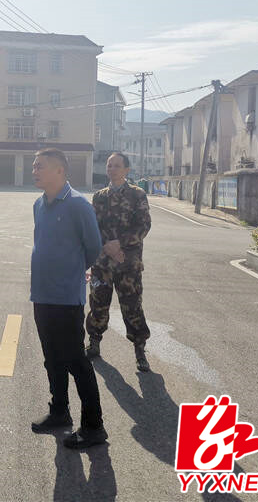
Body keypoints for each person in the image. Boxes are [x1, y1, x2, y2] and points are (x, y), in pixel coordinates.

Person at [30, 148, 107, 449]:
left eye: (40, 166)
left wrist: (74, 272)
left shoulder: (78, 205)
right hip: (42, 293)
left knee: (75, 359)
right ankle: (59, 411)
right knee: (52, 358)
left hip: (66, 296)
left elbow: (93, 247)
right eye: (34, 166)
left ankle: (94, 427)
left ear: (59, 170)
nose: (35, 171)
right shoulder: (39, 204)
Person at [86, 152, 152, 372]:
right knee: (98, 305)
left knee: (132, 307)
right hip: (102, 264)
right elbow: (92, 227)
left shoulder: (137, 194)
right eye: (109, 165)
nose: (112, 169)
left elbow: (143, 226)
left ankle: (140, 350)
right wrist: (107, 246)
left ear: (126, 170)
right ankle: (94, 342)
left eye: (116, 165)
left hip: (127, 264)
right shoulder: (99, 196)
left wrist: (119, 244)